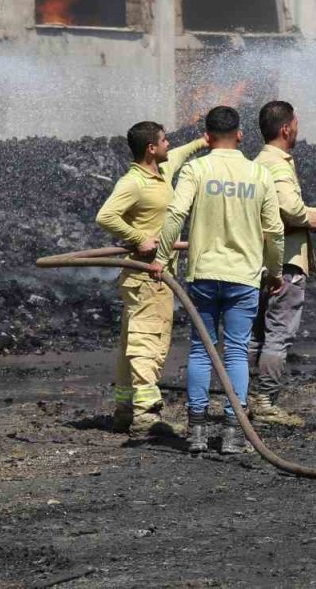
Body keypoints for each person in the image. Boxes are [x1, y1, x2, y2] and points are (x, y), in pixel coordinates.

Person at [151, 106, 285, 455]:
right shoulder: (259, 173)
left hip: (204, 275)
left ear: (207, 137)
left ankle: (196, 432)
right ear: (240, 135)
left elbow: (175, 214)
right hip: (244, 276)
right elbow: (274, 230)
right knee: (237, 352)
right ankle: (233, 433)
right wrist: (275, 272)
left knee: (201, 350)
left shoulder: (196, 169)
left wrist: (161, 259)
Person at [95, 121, 207, 437]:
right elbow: (105, 216)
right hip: (147, 276)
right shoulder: (134, 182)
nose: (169, 144)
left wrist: (202, 142)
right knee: (148, 342)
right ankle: (146, 415)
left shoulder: (161, 172)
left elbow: (180, 153)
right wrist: (138, 237)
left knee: (131, 343)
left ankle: (125, 409)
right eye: (164, 140)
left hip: (154, 275)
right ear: (151, 148)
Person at [248, 100, 316, 426]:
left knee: (255, 335)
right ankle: (265, 402)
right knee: (278, 335)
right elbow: (289, 207)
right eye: (296, 125)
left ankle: (243, 398)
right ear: (286, 129)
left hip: (259, 261)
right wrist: (310, 218)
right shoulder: (278, 164)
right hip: (284, 264)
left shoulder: (258, 162)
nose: (298, 130)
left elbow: (279, 207)